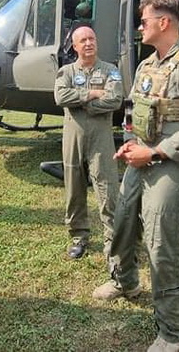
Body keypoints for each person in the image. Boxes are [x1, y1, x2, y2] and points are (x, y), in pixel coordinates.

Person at [93, 0, 179, 352]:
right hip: (140, 160)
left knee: (163, 247)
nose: (139, 26)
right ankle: (125, 280)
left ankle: (171, 332)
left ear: (164, 22)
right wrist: (130, 144)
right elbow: (133, 112)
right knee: (123, 223)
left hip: (171, 167)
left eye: (144, 20)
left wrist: (155, 152)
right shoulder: (149, 64)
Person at [53, 25, 123, 259]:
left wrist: (82, 104)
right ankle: (78, 236)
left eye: (91, 38)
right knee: (74, 186)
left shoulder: (111, 70)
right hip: (73, 136)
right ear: (75, 46)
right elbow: (60, 97)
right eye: (82, 40)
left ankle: (112, 237)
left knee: (107, 186)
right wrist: (91, 94)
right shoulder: (67, 72)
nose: (88, 43)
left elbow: (115, 100)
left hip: (101, 136)